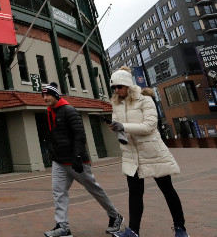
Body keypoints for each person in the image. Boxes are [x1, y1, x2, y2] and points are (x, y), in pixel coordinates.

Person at [108, 67, 189, 237]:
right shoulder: (116, 103)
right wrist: (116, 128)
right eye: (114, 87)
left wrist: (124, 127)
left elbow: (149, 126)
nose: (117, 90)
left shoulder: (145, 100)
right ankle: (133, 231)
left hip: (152, 151)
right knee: (135, 194)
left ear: (128, 85)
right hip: (132, 153)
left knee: (167, 190)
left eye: (119, 86)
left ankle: (181, 229)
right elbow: (118, 124)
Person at [41, 82, 124, 237]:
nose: (45, 98)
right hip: (59, 161)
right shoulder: (50, 112)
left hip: (75, 160)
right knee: (58, 192)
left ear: (55, 95)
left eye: (47, 95)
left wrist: (78, 156)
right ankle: (63, 227)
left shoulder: (69, 110)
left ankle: (115, 215)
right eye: (43, 95)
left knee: (94, 189)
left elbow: (80, 135)